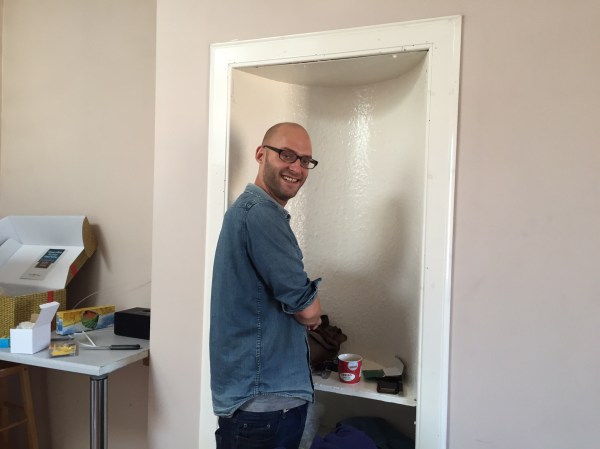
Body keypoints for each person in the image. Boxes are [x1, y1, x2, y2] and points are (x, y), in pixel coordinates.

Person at [210, 122, 323, 449]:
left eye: (305, 160)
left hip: (260, 401)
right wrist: (314, 313)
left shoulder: (248, 212)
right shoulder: (261, 214)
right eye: (286, 154)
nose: (297, 167)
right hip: (266, 404)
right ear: (261, 154)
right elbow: (306, 309)